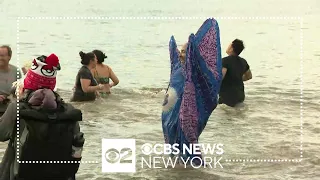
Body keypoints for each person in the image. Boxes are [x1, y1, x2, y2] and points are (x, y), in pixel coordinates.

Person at [0, 54, 84, 180]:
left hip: (20, 174)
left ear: (29, 82)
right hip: (60, 175)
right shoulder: (69, 111)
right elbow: (76, 145)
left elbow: (1, 135)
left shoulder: (17, 108)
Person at [161, 18, 222, 166]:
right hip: (170, 118)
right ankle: (182, 168)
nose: (181, 55)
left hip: (186, 115)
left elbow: (206, 90)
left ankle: (197, 167)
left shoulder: (194, 73)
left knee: (189, 143)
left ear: (191, 53)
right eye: (181, 51)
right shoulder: (177, 68)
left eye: (184, 51)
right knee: (175, 149)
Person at [218, 39, 252, 107]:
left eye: (229, 45)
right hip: (240, 96)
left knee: (226, 116)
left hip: (227, 97)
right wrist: (237, 78)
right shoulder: (243, 61)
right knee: (237, 115)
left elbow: (220, 77)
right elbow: (249, 76)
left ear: (232, 48)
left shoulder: (225, 61)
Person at [0, 45, 22, 115]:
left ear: (9, 57)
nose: (0, 58)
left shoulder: (16, 71)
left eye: (2, 56)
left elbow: (20, 92)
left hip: (10, 110)